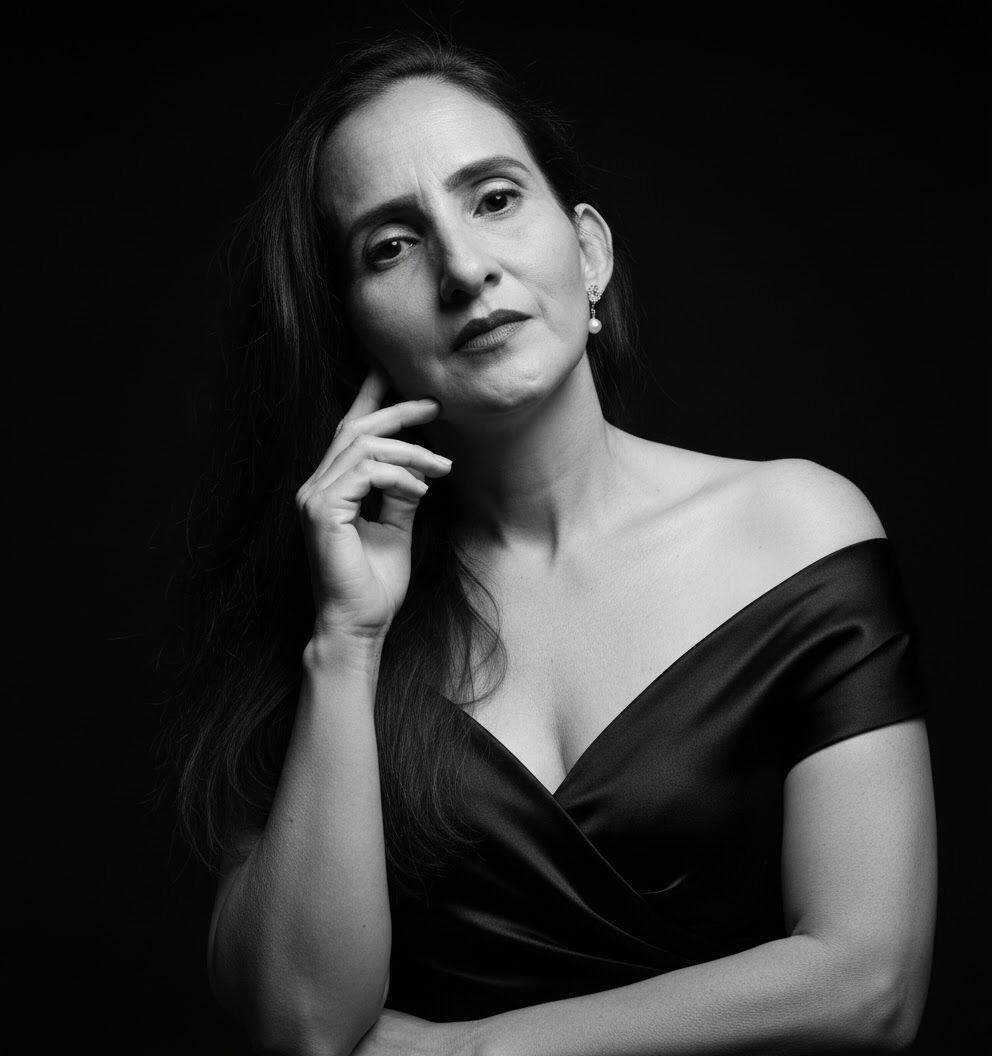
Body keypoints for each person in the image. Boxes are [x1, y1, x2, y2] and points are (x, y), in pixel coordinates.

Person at [168, 33, 937, 1056]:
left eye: (492, 199)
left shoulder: (797, 529)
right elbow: (306, 1023)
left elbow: (869, 984)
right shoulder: (318, 608)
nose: (463, 267)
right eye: (390, 246)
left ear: (589, 252)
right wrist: (346, 641)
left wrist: (471, 1051)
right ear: (351, 330)